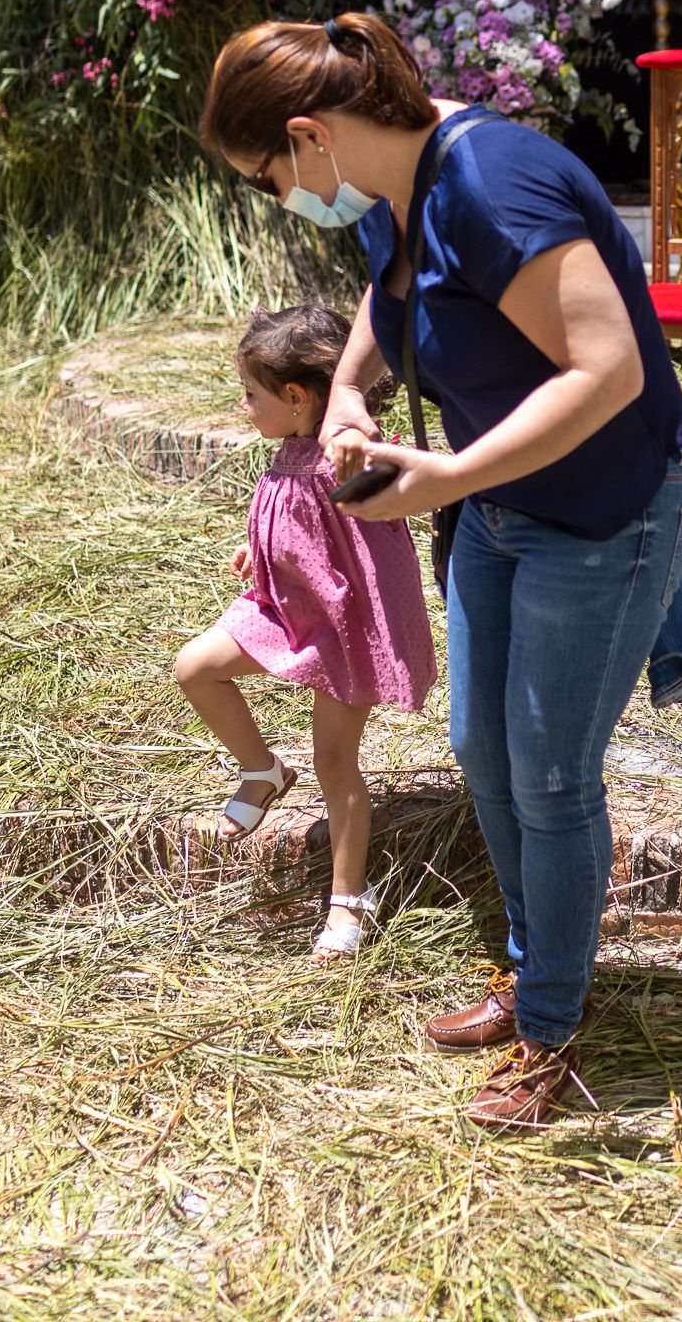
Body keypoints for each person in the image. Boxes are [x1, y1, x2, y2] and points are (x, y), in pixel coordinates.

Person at [197, 11, 682, 1130]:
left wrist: (447, 476)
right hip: (502, 499)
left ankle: (552, 1026)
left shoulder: (495, 184)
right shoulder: (397, 187)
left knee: (550, 774)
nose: (279, 196)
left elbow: (609, 368)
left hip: (603, 507)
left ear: (311, 137)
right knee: (482, 750)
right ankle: (533, 970)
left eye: (267, 177)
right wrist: (351, 391)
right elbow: (388, 300)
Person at [171, 303, 436, 961]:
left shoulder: (347, 456)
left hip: (343, 628)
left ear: (295, 397)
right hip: (283, 607)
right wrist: (258, 551)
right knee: (195, 667)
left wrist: (370, 449)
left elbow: (397, 501)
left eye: (251, 395)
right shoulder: (291, 448)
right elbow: (292, 521)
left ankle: (349, 902)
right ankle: (261, 769)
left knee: (335, 763)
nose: (243, 407)